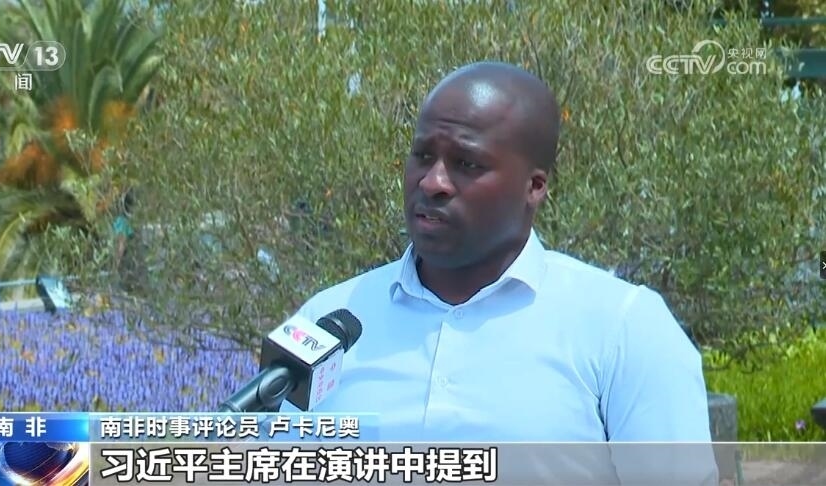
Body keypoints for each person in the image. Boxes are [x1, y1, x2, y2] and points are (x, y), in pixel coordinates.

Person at [279, 62, 718, 483]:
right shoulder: (329, 319)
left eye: (467, 164)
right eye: (423, 156)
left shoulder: (624, 327)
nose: (432, 182)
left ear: (534, 187)